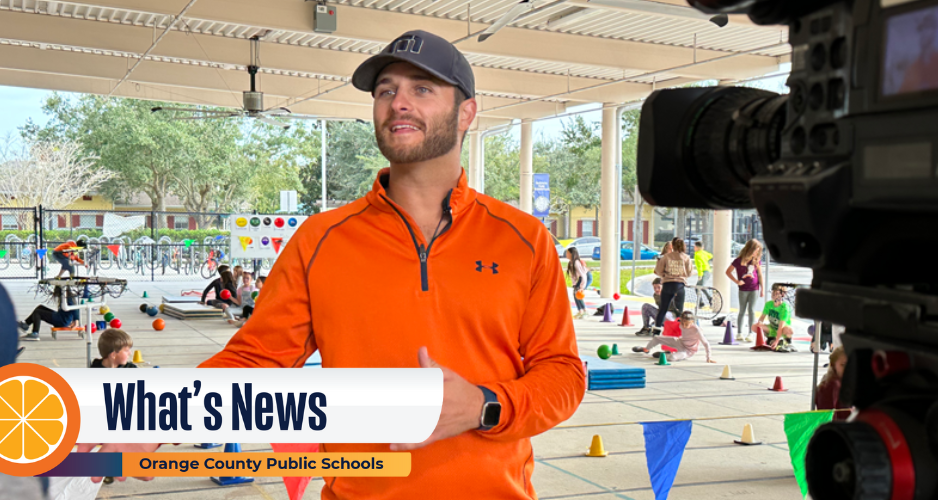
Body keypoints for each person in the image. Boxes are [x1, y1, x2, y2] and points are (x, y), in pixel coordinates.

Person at [82, 30, 586, 495]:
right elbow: (258, 360)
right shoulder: (322, 240)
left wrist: (483, 405)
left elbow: (562, 373)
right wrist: (155, 418)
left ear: (467, 112)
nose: (399, 102)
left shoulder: (523, 240)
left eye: (423, 88)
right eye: (386, 90)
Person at [633, 311, 715, 363]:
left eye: (686, 324)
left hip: (688, 351)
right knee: (657, 338)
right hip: (680, 342)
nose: (684, 325)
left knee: (672, 358)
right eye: (682, 323)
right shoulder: (680, 324)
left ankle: (665, 354)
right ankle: (646, 349)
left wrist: (708, 357)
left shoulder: (696, 330)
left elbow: (706, 343)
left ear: (692, 322)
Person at [652, 238, 693, 334]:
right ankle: (679, 331)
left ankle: (657, 330)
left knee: (663, 308)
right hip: (679, 285)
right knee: (679, 310)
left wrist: (665, 275)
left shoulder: (666, 257)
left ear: (673, 246)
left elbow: (658, 270)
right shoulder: (686, 257)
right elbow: (689, 273)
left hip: (667, 284)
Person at [726, 239, 764, 342]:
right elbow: (728, 272)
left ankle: (750, 333)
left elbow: (760, 275)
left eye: (759, 250)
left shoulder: (756, 260)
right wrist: (737, 281)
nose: (757, 252)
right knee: (742, 310)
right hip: (743, 289)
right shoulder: (738, 261)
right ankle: (739, 333)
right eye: (756, 249)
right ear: (751, 249)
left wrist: (762, 289)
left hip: (754, 288)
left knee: (752, 310)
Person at [754, 284, 795, 352]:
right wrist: (760, 323)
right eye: (773, 293)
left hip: (782, 329)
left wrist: (777, 341)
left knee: (788, 330)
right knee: (755, 326)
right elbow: (762, 318)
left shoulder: (784, 308)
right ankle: (771, 339)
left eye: (777, 294)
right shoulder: (768, 304)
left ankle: (787, 342)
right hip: (772, 328)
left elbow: (781, 326)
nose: (774, 295)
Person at [816, 347, 850, 420]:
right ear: (833, 364)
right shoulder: (832, 384)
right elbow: (827, 417)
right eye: (843, 365)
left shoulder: (845, 381)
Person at [566, 247, 589, 319]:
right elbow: (573, 276)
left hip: (582, 279)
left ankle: (585, 311)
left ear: (571, 254)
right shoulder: (571, 263)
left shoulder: (576, 262)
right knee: (575, 295)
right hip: (578, 280)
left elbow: (583, 275)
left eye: (567, 253)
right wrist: (574, 284)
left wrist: (581, 287)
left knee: (578, 294)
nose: (566, 254)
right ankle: (580, 311)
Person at [693, 241, 713, 307]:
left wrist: (700, 275)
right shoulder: (704, 253)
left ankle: (706, 301)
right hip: (708, 271)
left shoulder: (697, 255)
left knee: (698, 287)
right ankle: (704, 301)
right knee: (699, 287)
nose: (694, 248)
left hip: (704, 272)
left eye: (694, 246)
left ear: (696, 247)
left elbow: (699, 266)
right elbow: (710, 256)